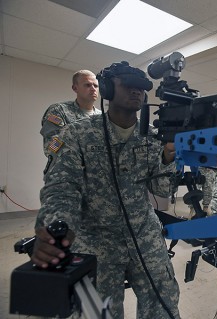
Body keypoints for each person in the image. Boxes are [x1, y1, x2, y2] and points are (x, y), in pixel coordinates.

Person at [31, 61, 180, 319]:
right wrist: (57, 226)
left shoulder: (153, 137)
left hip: (144, 234)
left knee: (163, 304)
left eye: (141, 88)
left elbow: (162, 189)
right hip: (95, 240)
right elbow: (62, 186)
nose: (137, 92)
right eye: (129, 85)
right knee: (98, 313)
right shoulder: (77, 134)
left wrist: (168, 158)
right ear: (109, 89)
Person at [40, 69, 101, 156]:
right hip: (67, 167)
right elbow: (51, 147)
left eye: (96, 86)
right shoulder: (59, 110)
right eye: (87, 85)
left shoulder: (103, 117)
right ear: (75, 88)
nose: (93, 89)